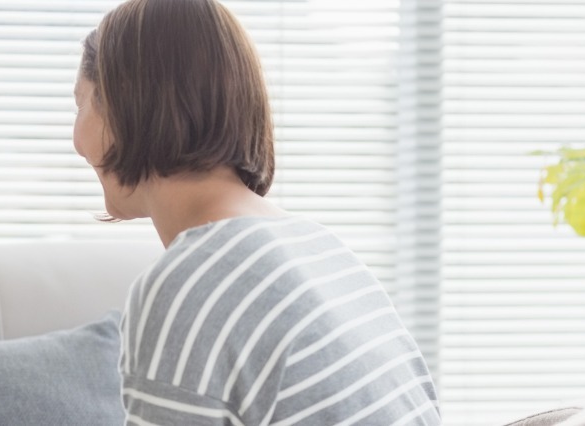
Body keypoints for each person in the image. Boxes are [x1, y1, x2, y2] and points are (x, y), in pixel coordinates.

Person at [73, 0, 440, 424]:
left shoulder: (185, 289)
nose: (75, 138)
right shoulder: (322, 249)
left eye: (80, 102)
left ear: (124, 106)